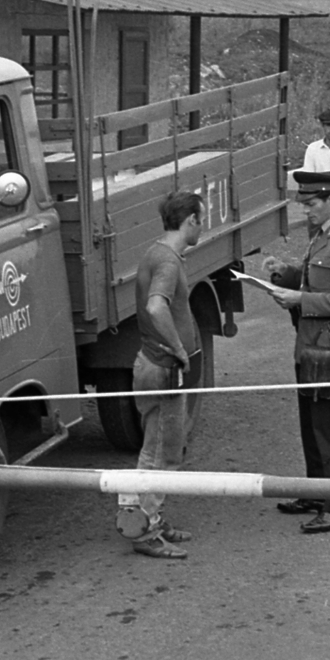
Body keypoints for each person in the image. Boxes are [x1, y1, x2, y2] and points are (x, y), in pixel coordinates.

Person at [261, 170, 330, 534]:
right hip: (312, 347)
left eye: (310, 204)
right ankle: (316, 491)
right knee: (311, 424)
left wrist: (299, 299)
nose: (305, 211)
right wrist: (286, 274)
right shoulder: (324, 234)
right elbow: (316, 279)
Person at [115, 190, 204, 559]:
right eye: (202, 218)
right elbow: (156, 307)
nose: (203, 225)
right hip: (164, 369)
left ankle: (152, 517)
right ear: (190, 222)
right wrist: (180, 350)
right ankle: (144, 529)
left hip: (151, 364)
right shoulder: (168, 263)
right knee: (161, 454)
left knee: (157, 447)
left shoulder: (156, 252)